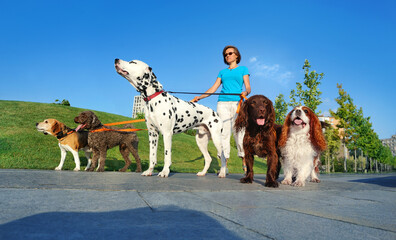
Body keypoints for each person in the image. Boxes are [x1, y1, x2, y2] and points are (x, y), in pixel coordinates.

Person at [191, 45, 251, 174]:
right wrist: (199, 98)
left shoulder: (243, 69)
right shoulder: (222, 72)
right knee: (224, 134)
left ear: (236, 55)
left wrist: (245, 92)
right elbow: (213, 89)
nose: (227, 56)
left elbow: (248, 87)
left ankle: (245, 162)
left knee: (239, 134)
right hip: (222, 103)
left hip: (237, 103)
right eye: (225, 54)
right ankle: (224, 165)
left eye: (230, 53)